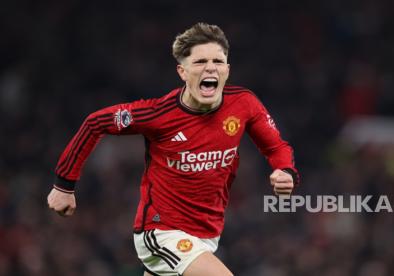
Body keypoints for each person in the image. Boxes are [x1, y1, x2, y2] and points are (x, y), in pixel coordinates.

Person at [47, 22, 299, 276]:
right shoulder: (159, 114)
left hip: (207, 235)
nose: (210, 67)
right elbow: (95, 122)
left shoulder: (244, 104)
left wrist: (285, 170)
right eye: (200, 62)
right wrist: (64, 185)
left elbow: (276, 146)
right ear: (182, 71)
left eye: (218, 61)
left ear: (227, 69)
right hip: (160, 232)